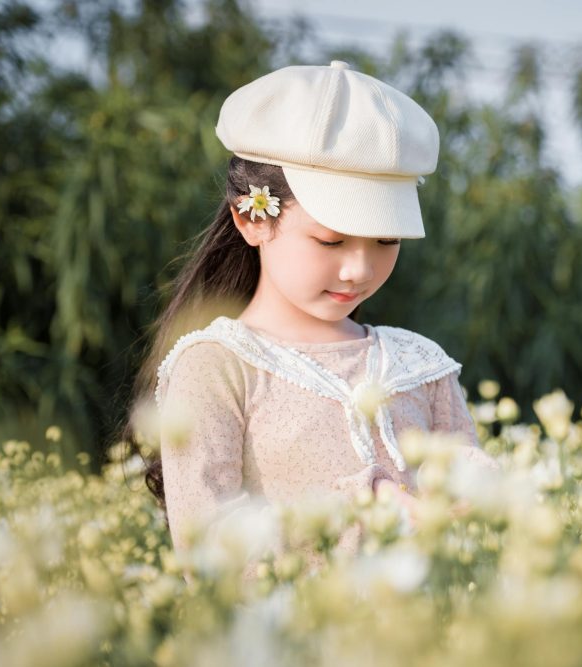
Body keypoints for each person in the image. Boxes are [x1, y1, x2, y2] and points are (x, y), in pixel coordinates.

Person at [129, 61, 497, 574]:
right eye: (330, 240)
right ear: (251, 218)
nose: (359, 269)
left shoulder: (418, 362)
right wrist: (366, 512)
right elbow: (206, 549)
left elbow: (473, 496)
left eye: (387, 241)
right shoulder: (217, 366)